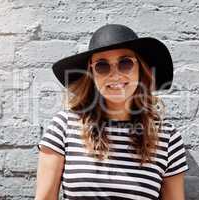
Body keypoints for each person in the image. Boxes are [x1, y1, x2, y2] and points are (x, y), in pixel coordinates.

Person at [35, 24, 189, 200]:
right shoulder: (63, 127)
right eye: (102, 66)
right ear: (91, 73)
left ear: (140, 68)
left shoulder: (167, 137)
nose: (115, 75)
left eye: (125, 63)